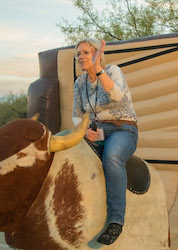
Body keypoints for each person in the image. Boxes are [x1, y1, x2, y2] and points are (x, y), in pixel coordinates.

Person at [72, 38, 138, 245]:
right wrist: (84, 132)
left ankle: (116, 221)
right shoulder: (79, 83)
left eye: (85, 52)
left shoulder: (112, 71)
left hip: (123, 128)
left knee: (111, 156)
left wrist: (99, 69)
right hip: (96, 131)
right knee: (73, 154)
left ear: (96, 52)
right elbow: (76, 115)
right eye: (78, 54)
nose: (81, 57)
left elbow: (118, 96)